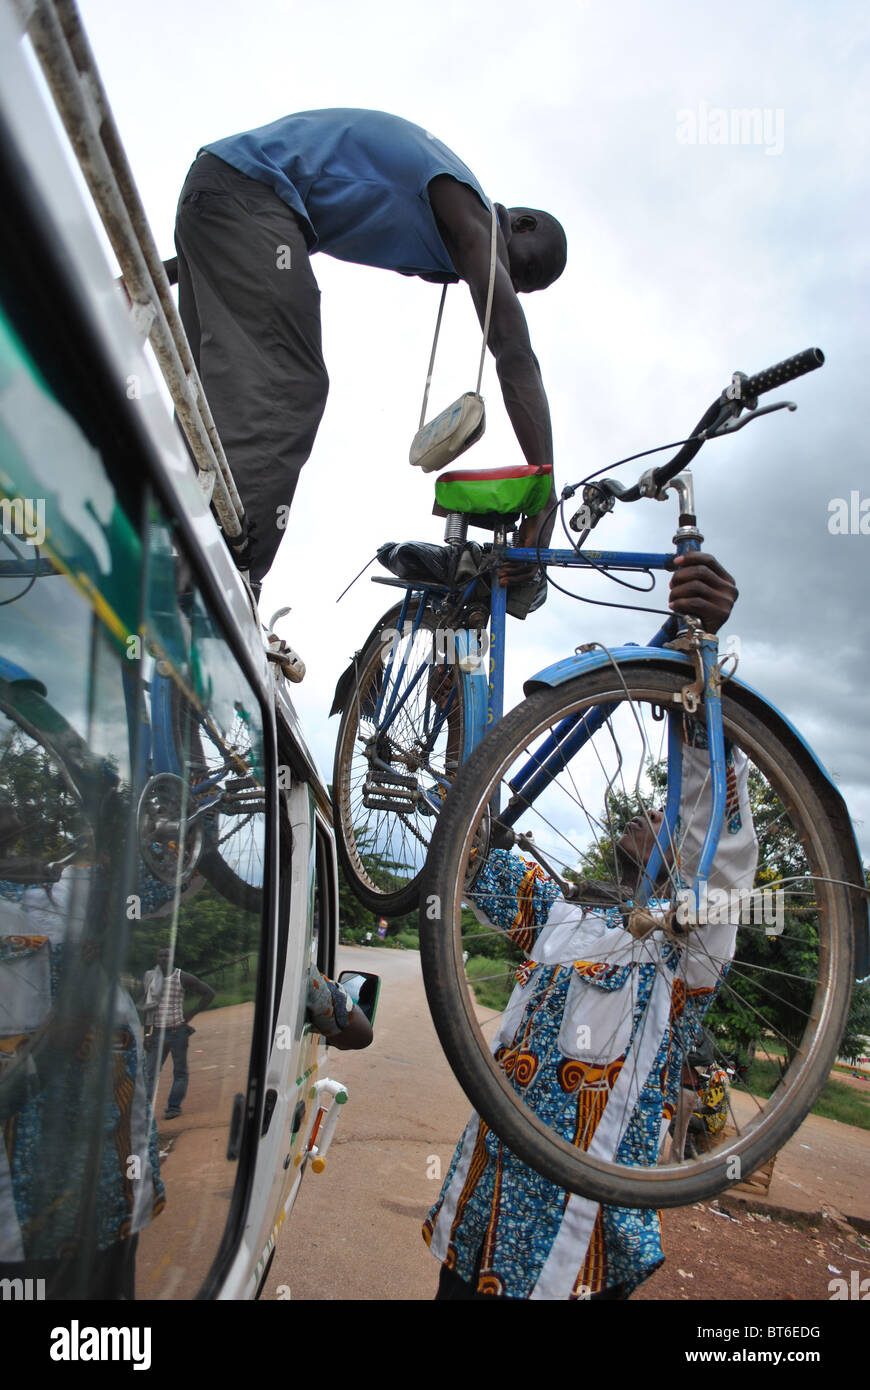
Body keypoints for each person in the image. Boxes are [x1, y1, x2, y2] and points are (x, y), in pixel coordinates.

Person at [423, 554, 753, 1300]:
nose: (643, 818)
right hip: (476, 1223)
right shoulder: (562, 916)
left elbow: (723, 851)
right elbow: (465, 852)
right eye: (642, 812)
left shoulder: (688, 953)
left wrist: (700, 678)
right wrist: (454, 723)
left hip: (571, 1262)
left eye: (659, 818)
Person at [173, 109, 567, 592]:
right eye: (523, 274)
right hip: (246, 197)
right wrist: (545, 489)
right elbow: (514, 350)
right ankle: (225, 585)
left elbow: (275, 214)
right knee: (287, 384)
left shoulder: (441, 216)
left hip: (218, 199)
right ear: (521, 225)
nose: (512, 288)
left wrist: (183, 262)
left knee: (206, 399)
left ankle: (167, 544)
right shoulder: (470, 210)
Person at [141, 945, 215, 1119]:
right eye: (161, 955)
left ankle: (173, 1107)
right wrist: (147, 1034)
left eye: (167, 955)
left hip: (177, 1032)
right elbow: (148, 1008)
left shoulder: (182, 977)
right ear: (156, 958)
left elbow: (209, 993)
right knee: (150, 1073)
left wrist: (190, 1013)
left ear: (172, 958)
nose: (164, 958)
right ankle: (145, 1110)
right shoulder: (151, 978)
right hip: (157, 1033)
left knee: (179, 1071)